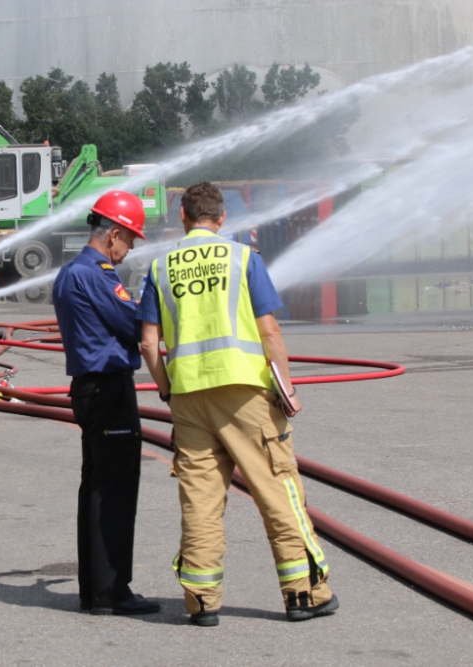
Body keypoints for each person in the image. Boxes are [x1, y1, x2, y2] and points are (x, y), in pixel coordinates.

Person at [139, 181, 338, 626]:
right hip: (246, 391)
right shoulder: (243, 258)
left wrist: (168, 389)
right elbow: (270, 332)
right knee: (277, 489)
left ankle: (202, 602)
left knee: (200, 501)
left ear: (183, 218)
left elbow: (149, 345)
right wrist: (286, 387)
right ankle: (303, 594)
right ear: (222, 218)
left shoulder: (159, 267)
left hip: (189, 397)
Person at [50, 190, 160, 616]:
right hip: (108, 390)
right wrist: (157, 294)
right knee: (113, 491)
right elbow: (133, 325)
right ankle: (111, 592)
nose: (129, 249)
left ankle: (96, 590)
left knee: (97, 488)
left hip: (90, 388)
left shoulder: (71, 272)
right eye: (129, 240)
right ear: (113, 234)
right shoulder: (96, 274)